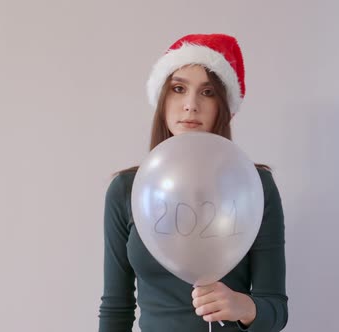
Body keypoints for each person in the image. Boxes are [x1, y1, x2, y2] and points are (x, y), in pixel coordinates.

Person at [98, 33, 288, 332]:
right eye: (178, 88)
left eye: (208, 92)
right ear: (162, 100)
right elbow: (116, 307)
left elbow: (276, 310)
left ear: (224, 106)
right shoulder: (126, 189)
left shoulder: (255, 185)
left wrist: (243, 306)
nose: (191, 105)